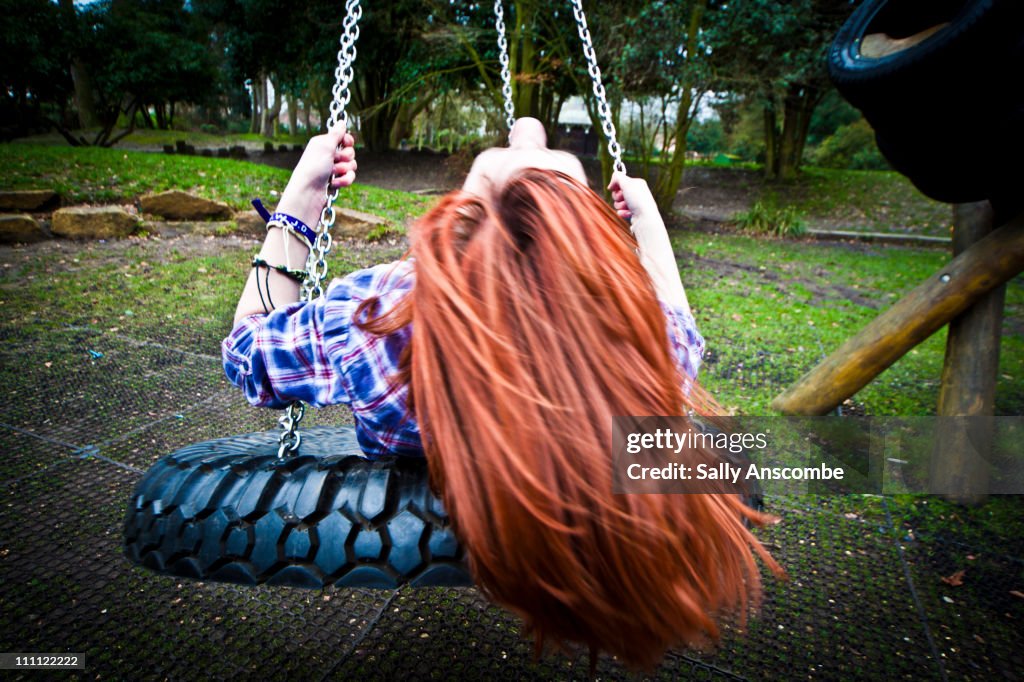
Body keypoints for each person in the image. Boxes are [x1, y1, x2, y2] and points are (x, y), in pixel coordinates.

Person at [223, 118, 780, 669]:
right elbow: (678, 321)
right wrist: (648, 222)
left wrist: (302, 196)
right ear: (594, 247)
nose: (528, 141)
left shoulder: (382, 320)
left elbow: (244, 349)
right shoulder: (638, 351)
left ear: (455, 223)